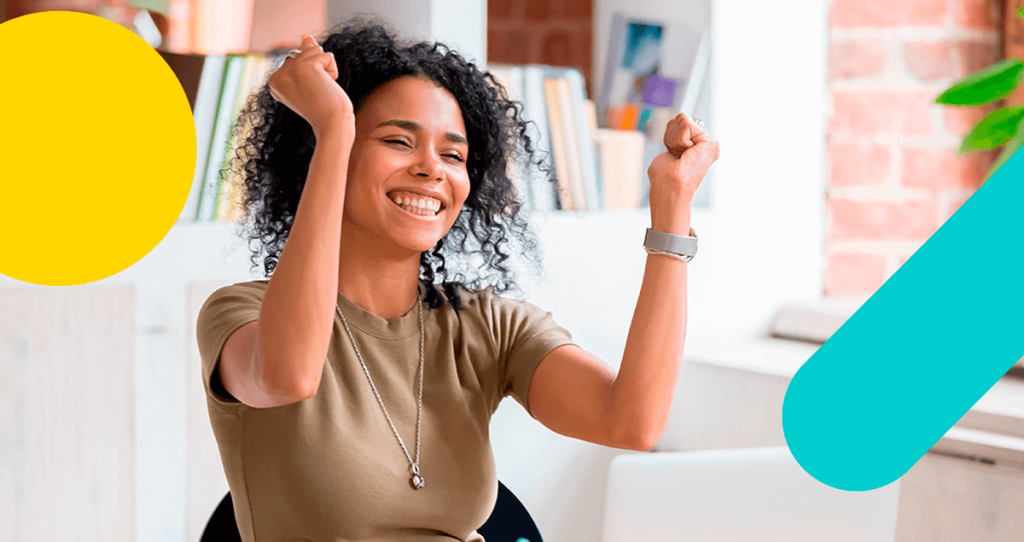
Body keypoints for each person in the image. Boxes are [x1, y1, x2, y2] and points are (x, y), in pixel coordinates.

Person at [195, 17, 719, 542]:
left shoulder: (484, 325)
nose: (432, 168)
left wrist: (671, 207)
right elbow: (287, 376)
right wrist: (333, 126)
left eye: (453, 154)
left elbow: (631, 422)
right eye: (398, 141)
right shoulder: (242, 315)